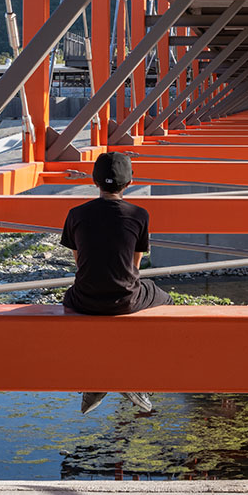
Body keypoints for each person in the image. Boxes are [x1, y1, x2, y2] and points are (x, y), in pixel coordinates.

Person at [60, 151, 171, 415]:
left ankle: (96, 383)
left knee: (75, 302)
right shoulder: (139, 214)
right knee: (165, 300)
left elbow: (79, 262)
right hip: (125, 299)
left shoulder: (76, 214)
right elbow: (134, 267)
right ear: (130, 183)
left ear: (94, 181)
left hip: (85, 298)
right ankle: (135, 377)